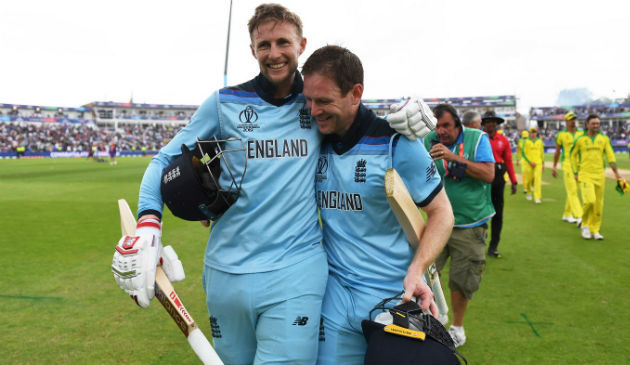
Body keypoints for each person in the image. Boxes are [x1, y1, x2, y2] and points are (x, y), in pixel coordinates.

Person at [110, 4, 428, 364]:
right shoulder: (223, 103)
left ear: (301, 44)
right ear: (252, 50)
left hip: (296, 270)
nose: (274, 54)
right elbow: (163, 161)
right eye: (264, 45)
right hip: (226, 272)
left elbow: (355, 117)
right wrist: (149, 223)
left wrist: (403, 118)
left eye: (283, 42)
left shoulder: (315, 105)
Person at [302, 45, 455, 365]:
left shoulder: (396, 144)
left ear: (355, 93)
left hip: (394, 301)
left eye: (324, 100)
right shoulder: (315, 140)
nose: (314, 110)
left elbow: (442, 212)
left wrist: (417, 271)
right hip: (335, 301)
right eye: (309, 100)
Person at [423, 103, 495, 347]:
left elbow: (488, 174)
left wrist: (454, 157)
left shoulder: (477, 139)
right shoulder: (427, 141)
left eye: (446, 126)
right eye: (437, 126)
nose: (440, 132)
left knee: (462, 280)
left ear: (458, 124)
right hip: (436, 223)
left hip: (470, 224)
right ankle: (435, 317)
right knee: (426, 275)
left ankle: (457, 327)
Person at [570, 114, 624, 240]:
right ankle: (585, 225)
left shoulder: (604, 139)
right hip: (585, 174)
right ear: (587, 124)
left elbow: (610, 156)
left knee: (598, 205)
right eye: (593, 123)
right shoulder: (580, 139)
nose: (596, 126)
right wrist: (575, 171)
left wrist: (616, 173)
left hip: (600, 175)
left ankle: (595, 230)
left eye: (597, 123)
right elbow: (572, 155)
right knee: (590, 201)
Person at [483, 111, 517, 258]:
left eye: (493, 121)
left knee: (498, 214)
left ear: (496, 123)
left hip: (498, 179)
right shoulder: (479, 138)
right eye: (488, 121)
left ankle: (493, 247)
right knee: (481, 213)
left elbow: (508, 161)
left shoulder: (503, 140)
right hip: (482, 178)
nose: (491, 123)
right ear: (484, 123)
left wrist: (513, 181)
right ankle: (478, 245)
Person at [552, 112, 583, 224]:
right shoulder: (561, 135)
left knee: (574, 190)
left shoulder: (582, 133)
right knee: (573, 190)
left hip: (580, 165)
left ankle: (567, 214)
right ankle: (580, 216)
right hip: (568, 164)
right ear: (566, 121)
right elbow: (557, 152)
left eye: (574, 119)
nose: (573, 121)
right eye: (570, 119)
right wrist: (554, 167)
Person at [521, 126, 544, 203]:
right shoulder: (525, 142)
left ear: (536, 133)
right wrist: (529, 161)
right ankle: (528, 192)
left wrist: (543, 163)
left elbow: (542, 153)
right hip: (529, 164)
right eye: (531, 132)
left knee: (537, 180)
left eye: (534, 132)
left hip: (538, 163)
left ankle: (537, 197)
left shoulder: (539, 142)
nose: (533, 134)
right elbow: (523, 153)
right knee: (528, 180)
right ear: (529, 133)